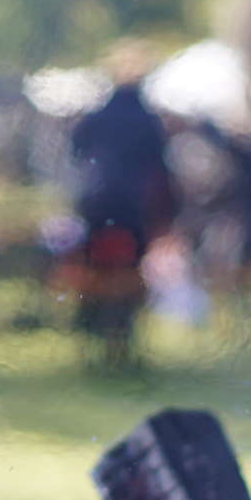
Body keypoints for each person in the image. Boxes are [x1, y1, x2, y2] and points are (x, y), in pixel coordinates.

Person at [67, 42, 176, 368]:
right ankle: (122, 338)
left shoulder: (96, 117)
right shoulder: (149, 121)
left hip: (95, 206)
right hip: (132, 209)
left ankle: (89, 330)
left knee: (94, 270)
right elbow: (159, 169)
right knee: (129, 273)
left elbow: (76, 154)